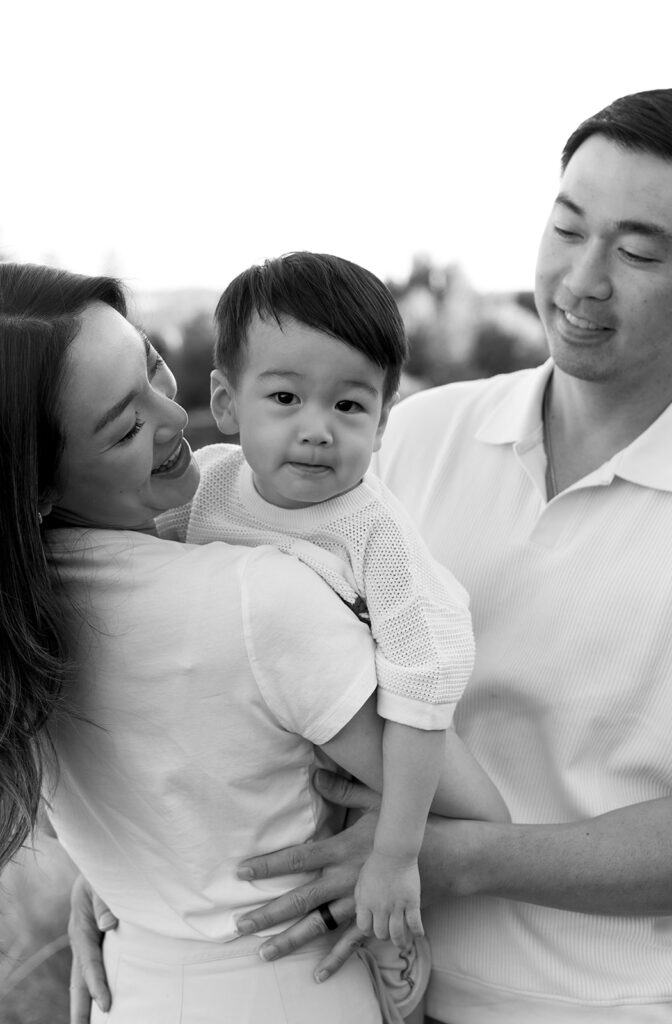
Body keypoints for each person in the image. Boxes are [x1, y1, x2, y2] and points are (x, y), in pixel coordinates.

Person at [160, 87, 672, 1023]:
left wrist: (442, 857)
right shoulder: (416, 432)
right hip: (365, 986)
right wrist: (137, 884)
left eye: (638, 251)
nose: (581, 280)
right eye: (566, 228)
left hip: (605, 1006)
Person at [0, 262, 505, 1024]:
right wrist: (388, 849)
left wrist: (117, 877)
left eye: (153, 367)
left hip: (126, 983)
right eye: (127, 426)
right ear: (36, 482)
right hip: (283, 984)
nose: (172, 417)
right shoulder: (257, 597)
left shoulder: (22, 613)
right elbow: (477, 813)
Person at [157, 251, 492, 952]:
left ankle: (397, 956)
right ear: (225, 403)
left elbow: (420, 695)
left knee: (378, 892)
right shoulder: (208, 488)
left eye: (347, 405)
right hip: (252, 745)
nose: (317, 428)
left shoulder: (377, 535)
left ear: (380, 421)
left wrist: (397, 854)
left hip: (376, 748)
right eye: (285, 399)